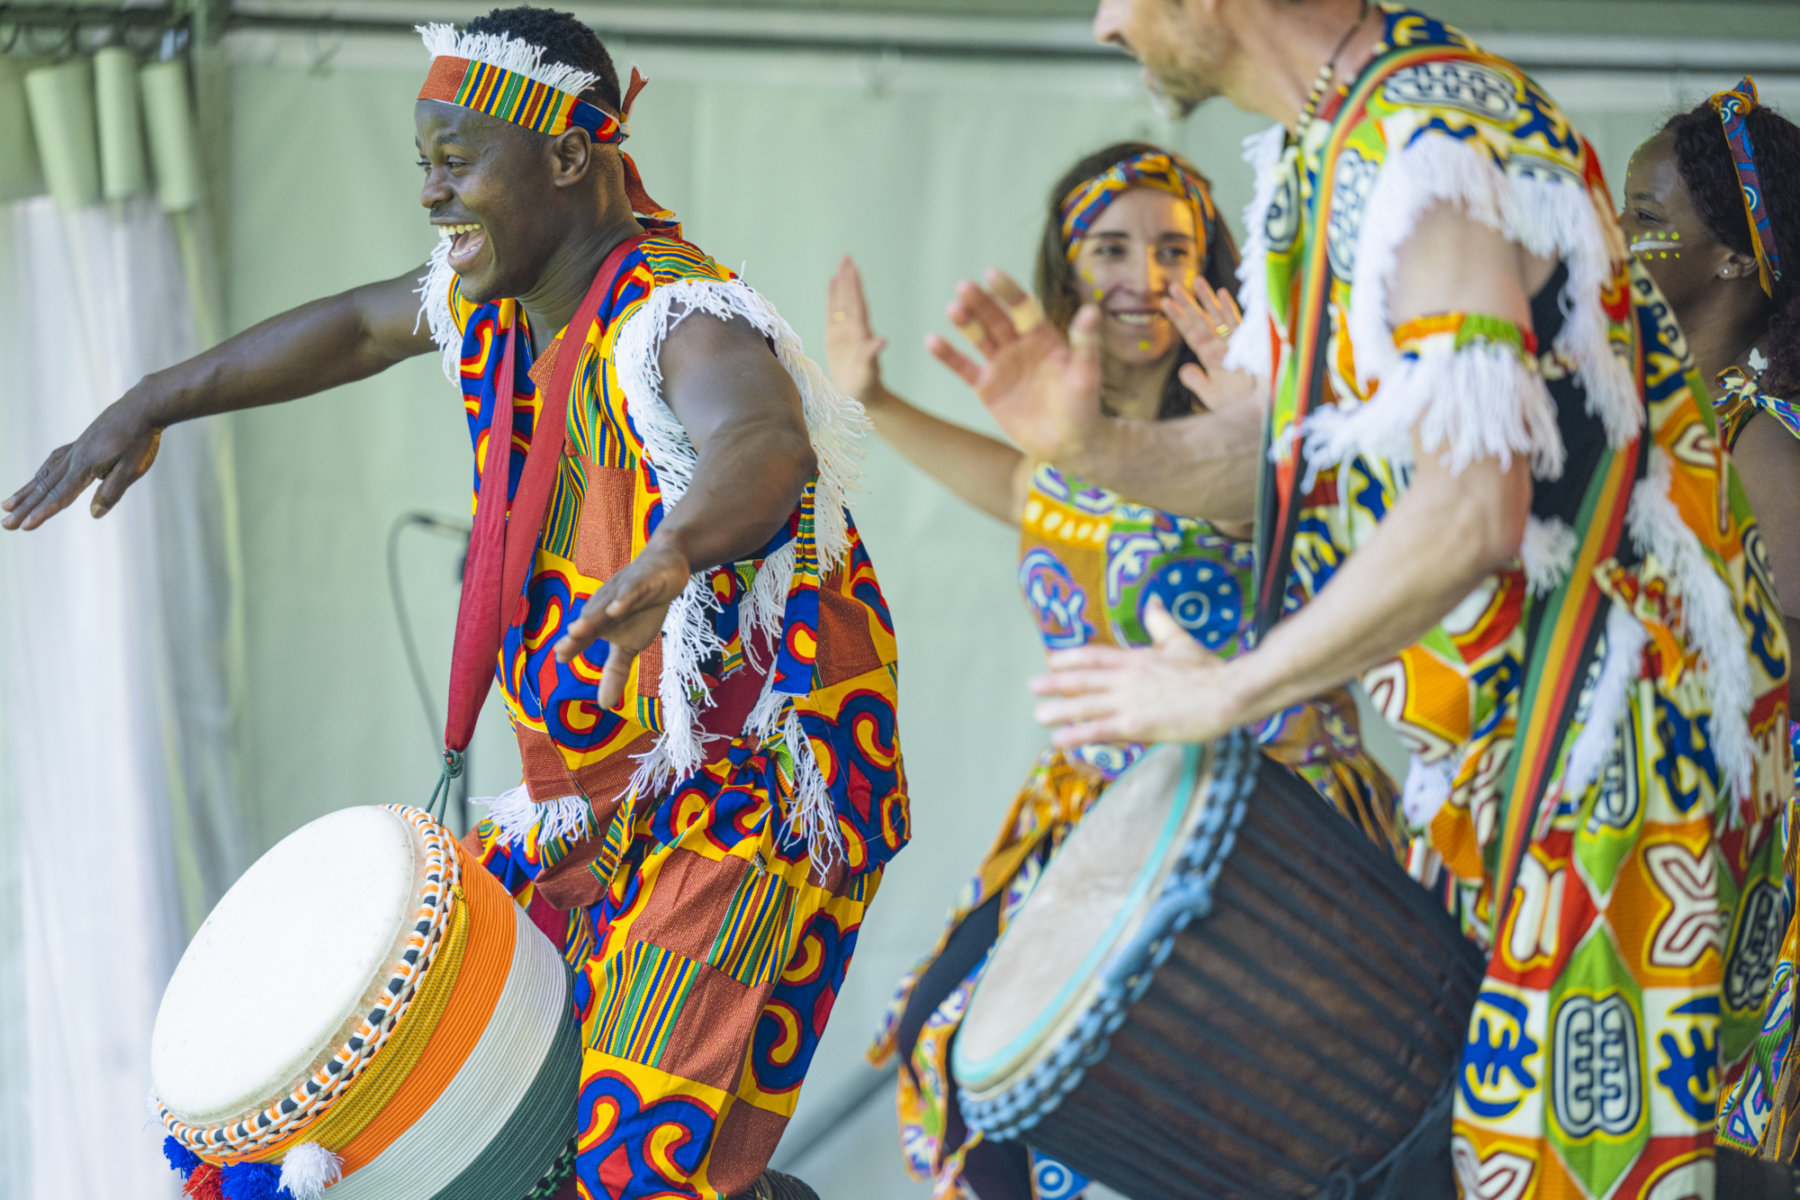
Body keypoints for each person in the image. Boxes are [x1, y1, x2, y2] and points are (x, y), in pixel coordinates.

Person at [2, 9, 906, 1200]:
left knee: (629, 1169)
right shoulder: (489, 304)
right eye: (422, 162)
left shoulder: (682, 316)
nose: (432, 191)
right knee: (487, 1115)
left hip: (754, 793)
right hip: (596, 796)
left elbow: (761, 438)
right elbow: (352, 328)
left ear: (568, 157)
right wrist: (151, 400)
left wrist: (672, 553)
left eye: (458, 159)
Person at [929, 1, 1793, 1195]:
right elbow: (1295, 465)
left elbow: (1472, 506)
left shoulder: (1435, 146)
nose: (1106, 23)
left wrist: (1229, 691)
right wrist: (1094, 448)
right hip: (1501, 768)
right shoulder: (1324, 158)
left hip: (1614, 769)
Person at [831, 143, 1402, 1200]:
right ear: (1068, 268)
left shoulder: (1247, 427)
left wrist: (1259, 427)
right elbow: (1025, 490)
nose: (1144, 276)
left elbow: (1249, 505)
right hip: (1099, 812)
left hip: (1269, 817)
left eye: (1174, 250)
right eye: (1112, 248)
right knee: (952, 1046)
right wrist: (877, 399)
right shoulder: (1057, 456)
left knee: (1214, 1110)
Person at [1623, 81, 1800, 1164]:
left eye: (1647, 217)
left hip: (1759, 849)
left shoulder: (1758, 434)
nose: (1622, 237)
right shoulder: (1672, 414)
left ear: (1734, 256)